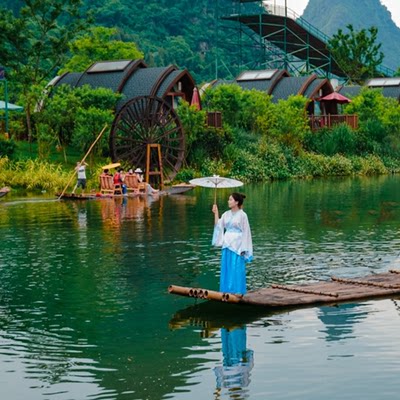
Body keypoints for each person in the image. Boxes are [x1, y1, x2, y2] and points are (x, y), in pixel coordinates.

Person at [212, 192, 253, 295]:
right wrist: (216, 213)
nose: (228, 201)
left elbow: (246, 232)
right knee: (227, 267)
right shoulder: (226, 214)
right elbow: (218, 225)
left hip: (238, 245)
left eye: (230, 199)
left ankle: (238, 290)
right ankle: (226, 290)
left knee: (237, 267)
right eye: (228, 199)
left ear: (236, 202)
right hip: (227, 243)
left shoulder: (243, 215)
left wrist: (244, 248)